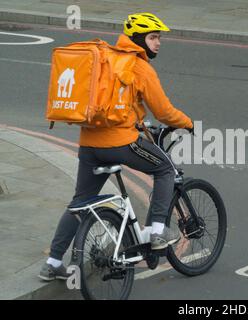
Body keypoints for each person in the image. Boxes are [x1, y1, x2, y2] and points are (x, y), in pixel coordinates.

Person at [39, 12, 194, 281]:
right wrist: (187, 122)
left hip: (89, 145)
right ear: (138, 39)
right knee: (165, 169)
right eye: (154, 37)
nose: (158, 43)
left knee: (80, 204)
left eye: (159, 38)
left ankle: (52, 263)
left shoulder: (105, 59)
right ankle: (156, 230)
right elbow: (163, 111)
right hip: (120, 143)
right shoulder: (140, 67)